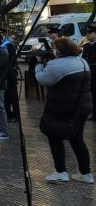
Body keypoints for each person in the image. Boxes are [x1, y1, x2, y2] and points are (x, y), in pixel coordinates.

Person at [35, 37, 93, 184]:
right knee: (77, 139)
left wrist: (38, 66)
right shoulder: (82, 61)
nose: (53, 50)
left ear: (59, 50)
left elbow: (44, 79)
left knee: (55, 137)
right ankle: (86, 174)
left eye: (54, 47)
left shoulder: (57, 64)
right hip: (82, 107)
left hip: (62, 108)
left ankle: (61, 172)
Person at [0, 27, 19, 122]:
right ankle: (8, 115)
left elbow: (12, 60)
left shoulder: (8, 45)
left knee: (13, 97)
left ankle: (16, 115)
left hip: (9, 75)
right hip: (1, 76)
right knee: (5, 98)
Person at [82, 25, 96, 121]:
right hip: (89, 73)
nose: (87, 35)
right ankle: (94, 113)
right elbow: (83, 59)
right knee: (92, 93)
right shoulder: (86, 46)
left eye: (90, 33)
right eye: (87, 33)